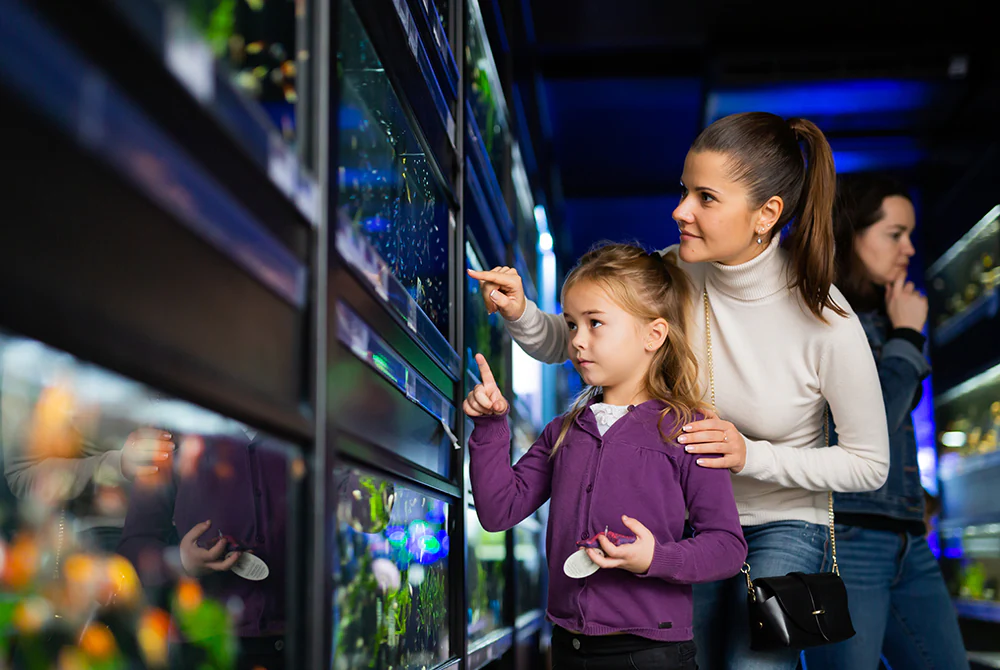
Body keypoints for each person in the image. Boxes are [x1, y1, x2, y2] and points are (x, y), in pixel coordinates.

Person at [469, 112, 891, 670]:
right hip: (683, 520)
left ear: (767, 214)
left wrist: (751, 456)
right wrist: (522, 313)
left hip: (781, 520)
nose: (680, 211)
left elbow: (869, 465)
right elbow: (592, 339)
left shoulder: (827, 319)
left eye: (705, 198)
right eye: (683, 191)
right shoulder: (677, 270)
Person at [465, 243, 748, 670]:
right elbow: (498, 510)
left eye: (595, 323)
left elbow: (728, 548)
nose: (577, 341)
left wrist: (656, 558)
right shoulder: (561, 431)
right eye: (571, 324)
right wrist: (489, 427)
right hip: (568, 650)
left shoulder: (689, 430)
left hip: (653, 656)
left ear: (654, 335)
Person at [802, 174, 969, 670]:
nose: (909, 248)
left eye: (910, 234)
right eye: (895, 234)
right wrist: (907, 341)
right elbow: (861, 427)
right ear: (850, 233)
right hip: (848, 540)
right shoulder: (822, 317)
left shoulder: (884, 318)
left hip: (909, 540)